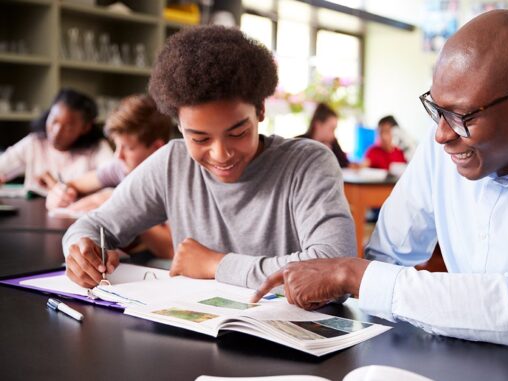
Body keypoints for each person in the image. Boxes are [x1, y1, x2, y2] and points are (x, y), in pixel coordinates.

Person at [252, 10, 508, 347]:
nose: (441, 134)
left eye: (463, 116)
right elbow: (388, 258)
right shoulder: (443, 150)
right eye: (437, 108)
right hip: (458, 357)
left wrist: (353, 275)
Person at [62, 25, 355, 289]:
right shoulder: (171, 164)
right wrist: (81, 251)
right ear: (179, 127)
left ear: (260, 111)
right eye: (199, 138)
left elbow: (336, 268)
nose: (221, 154)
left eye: (238, 133)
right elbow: (91, 226)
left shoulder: (309, 163)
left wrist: (216, 264)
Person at [47, 94, 174, 259]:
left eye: (128, 147)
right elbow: (74, 185)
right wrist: (59, 193)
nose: (117, 155)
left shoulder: (173, 178)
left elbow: (170, 249)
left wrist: (123, 208)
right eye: (116, 145)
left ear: (157, 148)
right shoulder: (122, 167)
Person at [0, 88, 113, 194]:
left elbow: (113, 179)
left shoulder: (98, 148)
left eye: (68, 126)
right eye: (54, 121)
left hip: (79, 213)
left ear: (85, 127)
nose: (57, 132)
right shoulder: (35, 142)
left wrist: (58, 187)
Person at [298, 103, 350, 168]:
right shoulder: (299, 144)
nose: (333, 135)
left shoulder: (333, 143)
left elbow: (345, 164)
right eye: (332, 129)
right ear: (318, 125)